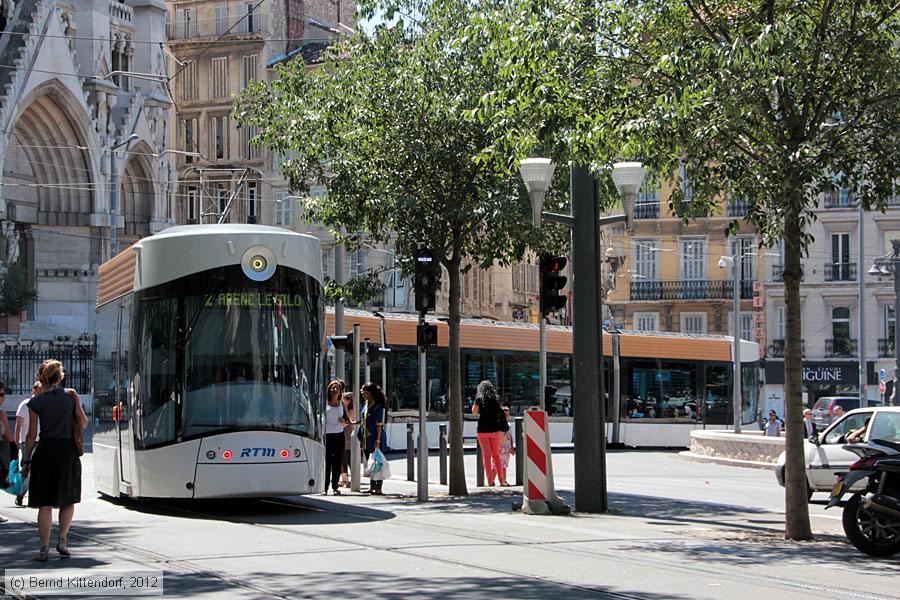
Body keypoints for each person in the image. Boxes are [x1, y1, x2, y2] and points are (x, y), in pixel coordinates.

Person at [21, 360, 88, 561]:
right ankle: (62, 540)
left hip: (46, 451)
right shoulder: (70, 396)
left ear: (42, 379)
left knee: (45, 503)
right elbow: (84, 423)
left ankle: (44, 548)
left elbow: (31, 436)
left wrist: (26, 461)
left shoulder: (36, 402)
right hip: (68, 452)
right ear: (59, 378)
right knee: (68, 499)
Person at [471, 380, 507, 487]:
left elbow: (474, 412)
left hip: (482, 430)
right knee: (496, 456)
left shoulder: (479, 399)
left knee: (486, 456)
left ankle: (490, 481)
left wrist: (475, 401)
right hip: (494, 430)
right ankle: (502, 481)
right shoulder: (496, 399)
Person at [14, 381, 42, 506]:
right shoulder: (25, 404)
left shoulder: (43, 404)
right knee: (26, 468)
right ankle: (20, 494)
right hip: (26, 441)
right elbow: (18, 426)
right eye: (39, 390)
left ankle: (33, 495)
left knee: (37, 470)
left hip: (41, 440)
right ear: (33, 390)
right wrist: (16, 443)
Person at [358, 382, 387, 495]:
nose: (361, 393)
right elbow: (364, 420)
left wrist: (378, 440)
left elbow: (379, 424)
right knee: (370, 463)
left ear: (369, 393)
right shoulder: (366, 404)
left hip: (374, 438)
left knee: (377, 463)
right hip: (366, 439)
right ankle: (372, 486)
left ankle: (378, 487)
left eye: (363, 391)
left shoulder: (377, 407)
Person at [323, 381, 349, 495]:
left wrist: (344, 421)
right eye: (332, 388)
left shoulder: (341, 403)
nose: (334, 390)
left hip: (339, 435)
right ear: (329, 390)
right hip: (327, 435)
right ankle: (324, 487)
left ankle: (335, 487)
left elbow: (347, 420)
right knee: (327, 462)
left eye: (337, 389)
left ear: (340, 391)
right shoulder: (324, 403)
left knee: (337, 462)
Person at [498, 406, 515, 485]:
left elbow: (510, 437)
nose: (506, 416)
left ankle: (503, 480)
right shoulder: (498, 423)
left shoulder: (509, 425)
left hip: (506, 448)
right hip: (500, 447)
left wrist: (512, 447)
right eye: (505, 414)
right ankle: (495, 481)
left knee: (504, 465)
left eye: (507, 414)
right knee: (497, 465)